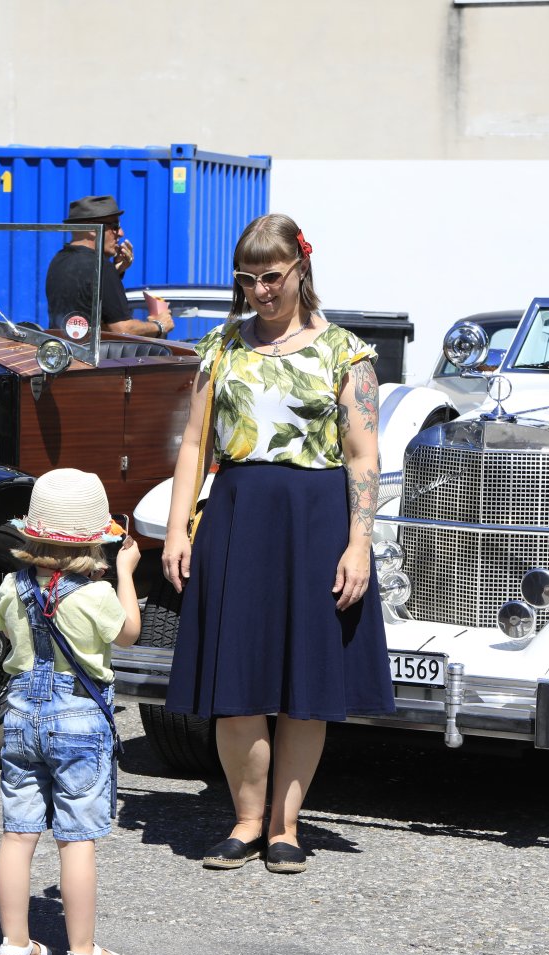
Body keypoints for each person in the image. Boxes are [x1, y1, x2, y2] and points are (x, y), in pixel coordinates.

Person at [160, 213, 395, 875]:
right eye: (247, 279)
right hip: (237, 516)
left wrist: (359, 543)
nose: (260, 291)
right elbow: (193, 443)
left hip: (316, 522)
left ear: (300, 269)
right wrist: (177, 528)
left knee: (303, 683)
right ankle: (244, 821)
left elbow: (363, 456)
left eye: (272, 276)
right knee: (234, 680)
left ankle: (285, 827)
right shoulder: (222, 345)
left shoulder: (346, 352)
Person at [0, 468, 141, 955]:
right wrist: (127, 575)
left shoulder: (12, 586)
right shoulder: (96, 595)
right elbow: (129, 634)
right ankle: (82, 953)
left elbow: (0, 626)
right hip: (78, 716)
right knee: (75, 839)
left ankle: (13, 946)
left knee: (18, 834)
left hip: (21, 717)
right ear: (97, 540)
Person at [45, 195, 172, 339]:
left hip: (62, 349)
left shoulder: (59, 260)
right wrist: (159, 325)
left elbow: (84, 298)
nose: (121, 233)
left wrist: (117, 271)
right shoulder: (101, 266)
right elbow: (122, 330)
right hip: (90, 352)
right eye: (114, 226)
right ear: (93, 229)